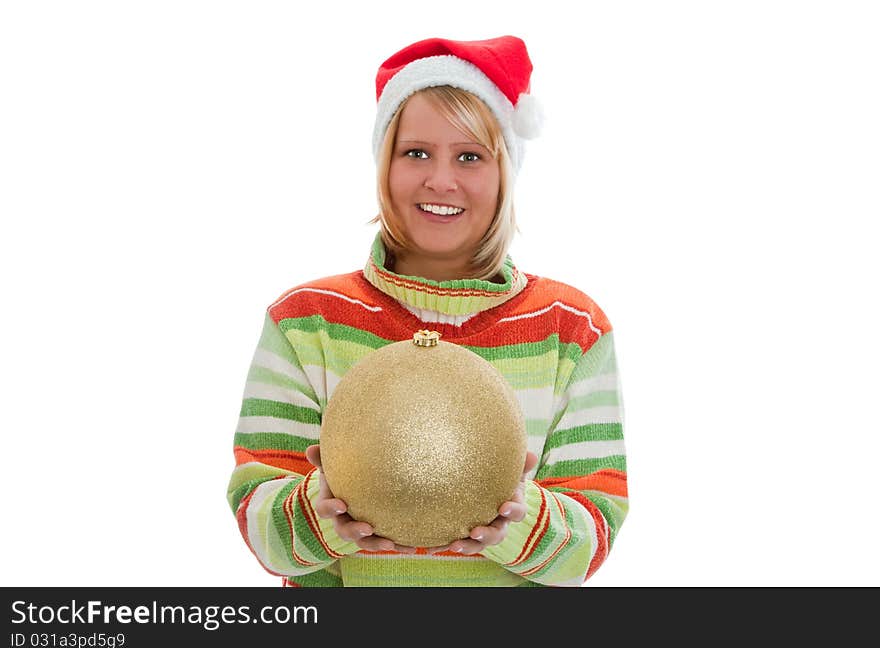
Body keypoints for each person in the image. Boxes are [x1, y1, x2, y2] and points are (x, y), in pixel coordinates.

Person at [227, 35, 628, 587]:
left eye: (470, 156)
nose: (442, 180)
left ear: (506, 171)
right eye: (416, 152)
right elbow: (258, 516)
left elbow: (595, 533)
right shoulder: (307, 322)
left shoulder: (571, 327)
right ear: (384, 163)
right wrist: (316, 515)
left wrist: (519, 518)